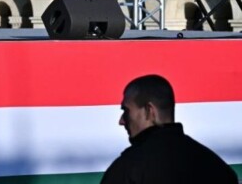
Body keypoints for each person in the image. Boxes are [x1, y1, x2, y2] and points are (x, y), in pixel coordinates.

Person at [101, 74, 238, 184]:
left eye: (126, 111)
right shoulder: (218, 168)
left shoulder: (128, 170)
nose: (121, 121)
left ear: (149, 111)